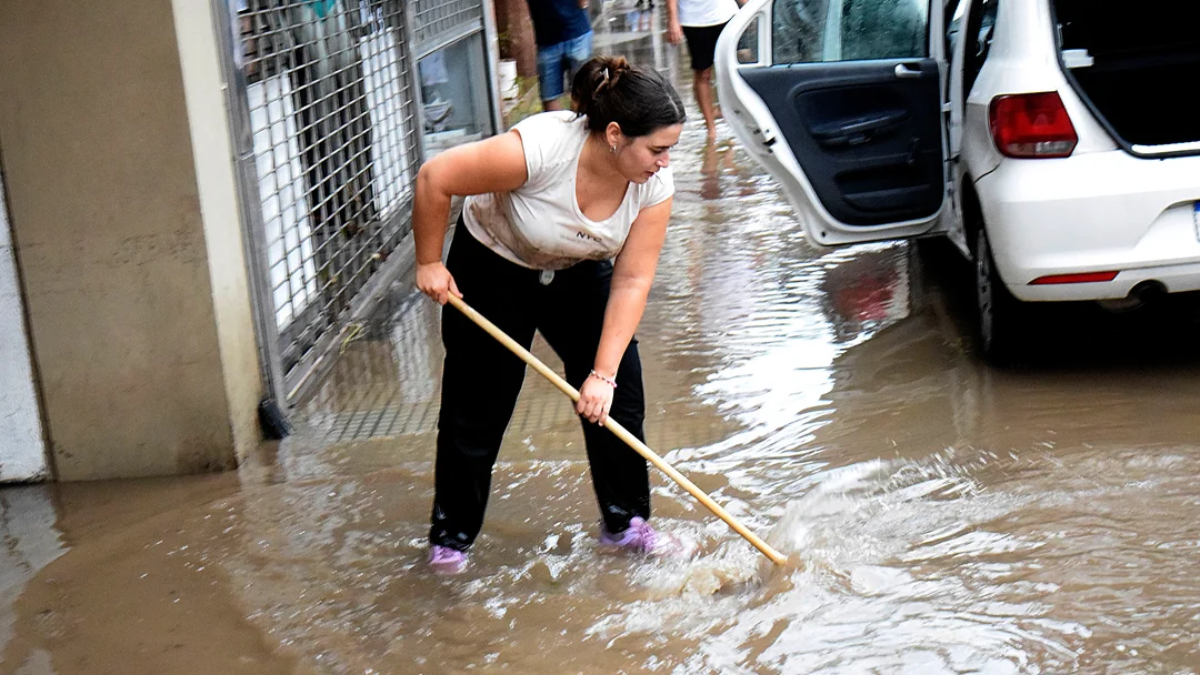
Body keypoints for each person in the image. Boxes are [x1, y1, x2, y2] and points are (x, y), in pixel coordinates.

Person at [413, 56, 687, 573]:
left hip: (579, 269)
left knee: (619, 399)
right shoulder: (539, 150)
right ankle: (451, 540)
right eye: (657, 149)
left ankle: (625, 524)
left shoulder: (654, 186)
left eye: (670, 149)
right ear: (613, 134)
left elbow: (632, 279)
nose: (664, 162)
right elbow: (436, 177)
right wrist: (428, 261)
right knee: (479, 406)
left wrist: (601, 375)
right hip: (496, 260)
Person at [665, 0, 741, 141]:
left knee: (731, 69)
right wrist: (673, 20)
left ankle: (731, 117)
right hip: (695, 20)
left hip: (726, 13)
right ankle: (711, 127)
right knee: (703, 73)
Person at [526, 0, 594, 112]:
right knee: (550, 97)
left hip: (576, 34)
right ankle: (566, 127)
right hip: (549, 39)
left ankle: (578, 127)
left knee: (581, 94)